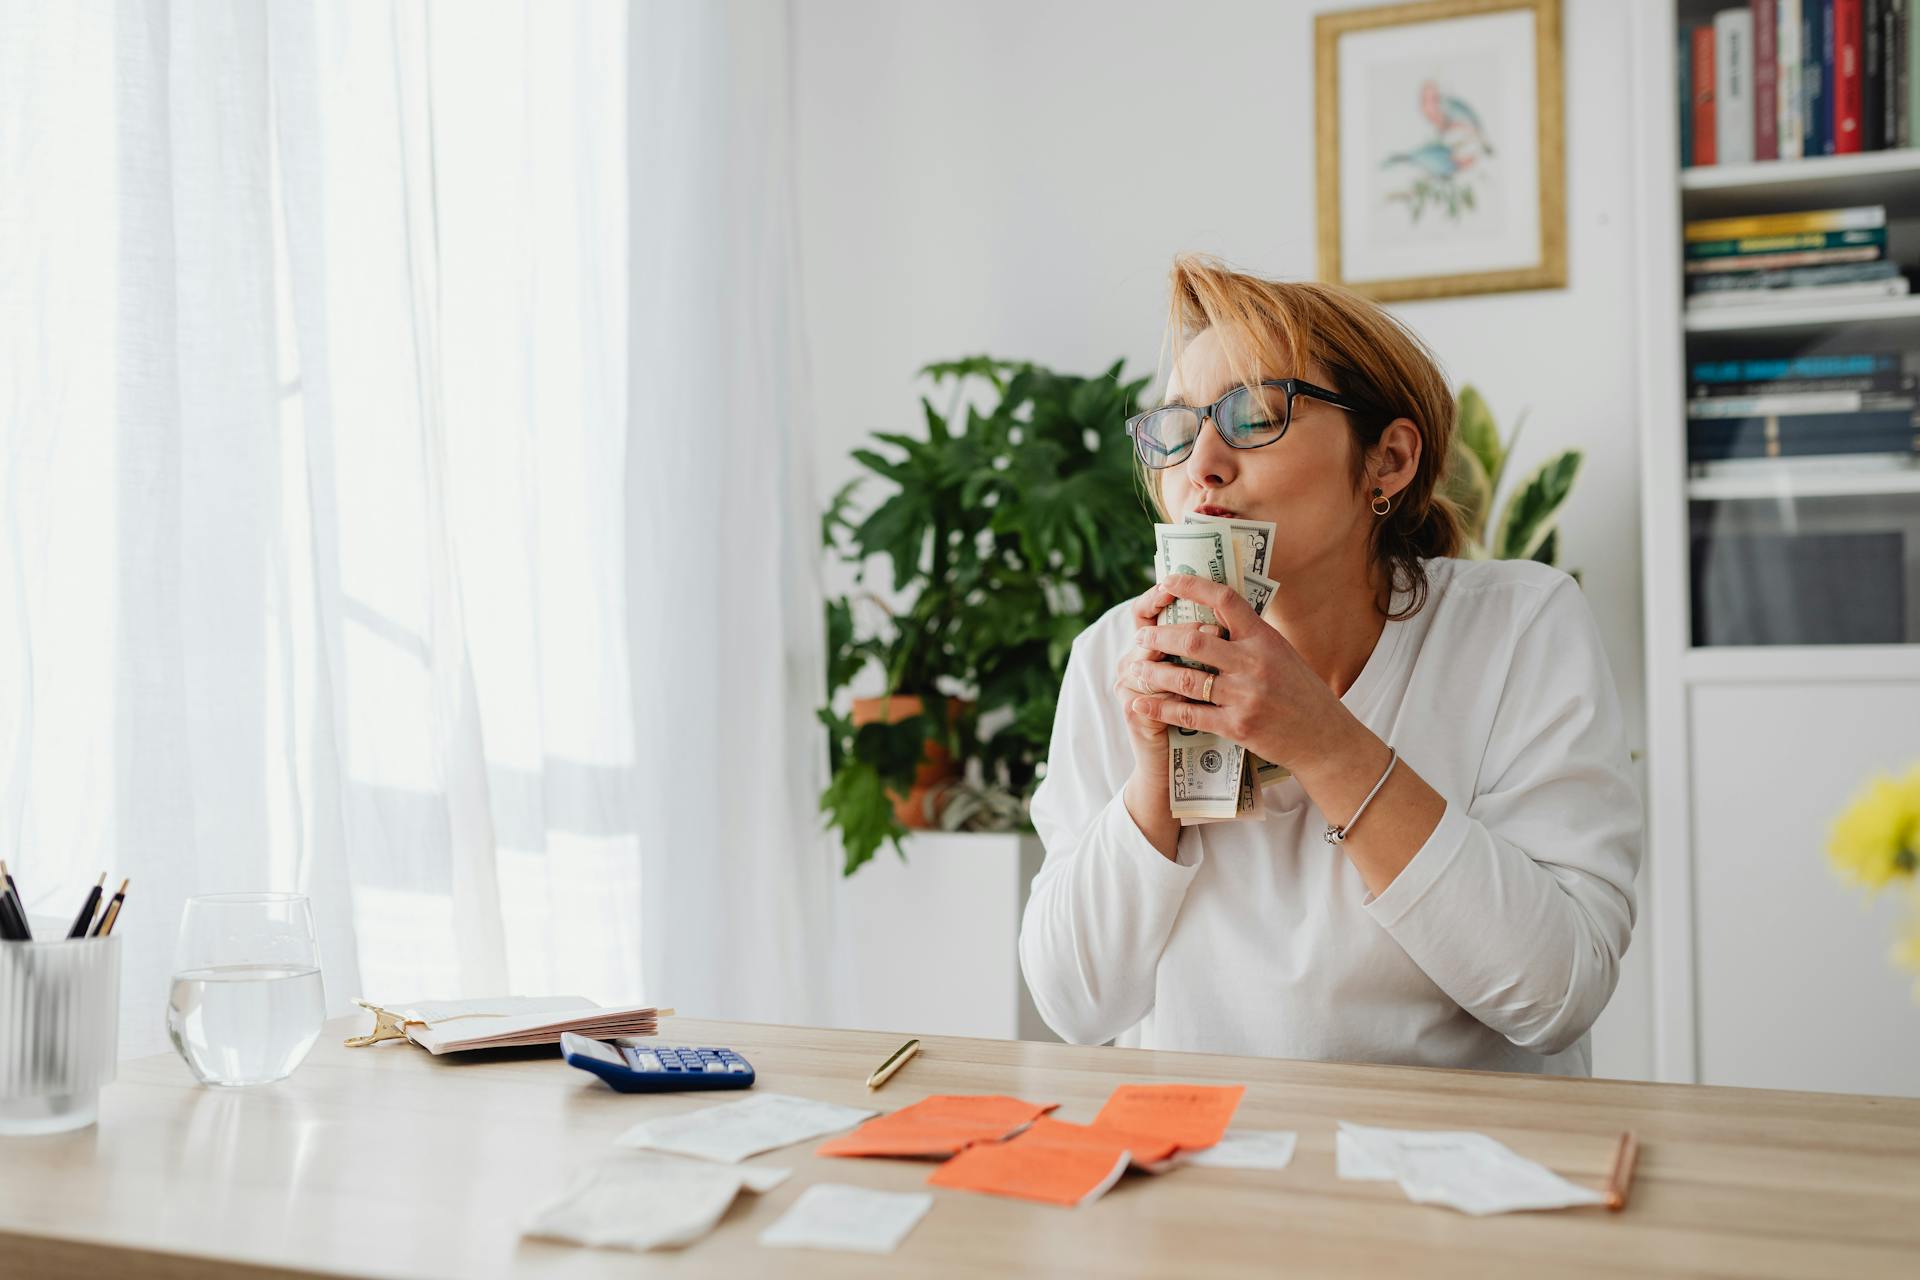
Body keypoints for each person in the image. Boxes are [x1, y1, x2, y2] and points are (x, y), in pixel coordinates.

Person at [1018, 254, 1641, 1075]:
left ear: (1387, 461)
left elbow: (1555, 995)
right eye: (1175, 427)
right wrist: (1148, 786)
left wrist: (1323, 741)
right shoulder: (1116, 655)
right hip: (1211, 1162)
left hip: (1454, 1166)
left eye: (1251, 415)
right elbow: (1074, 1004)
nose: (1200, 463)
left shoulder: (1519, 626)